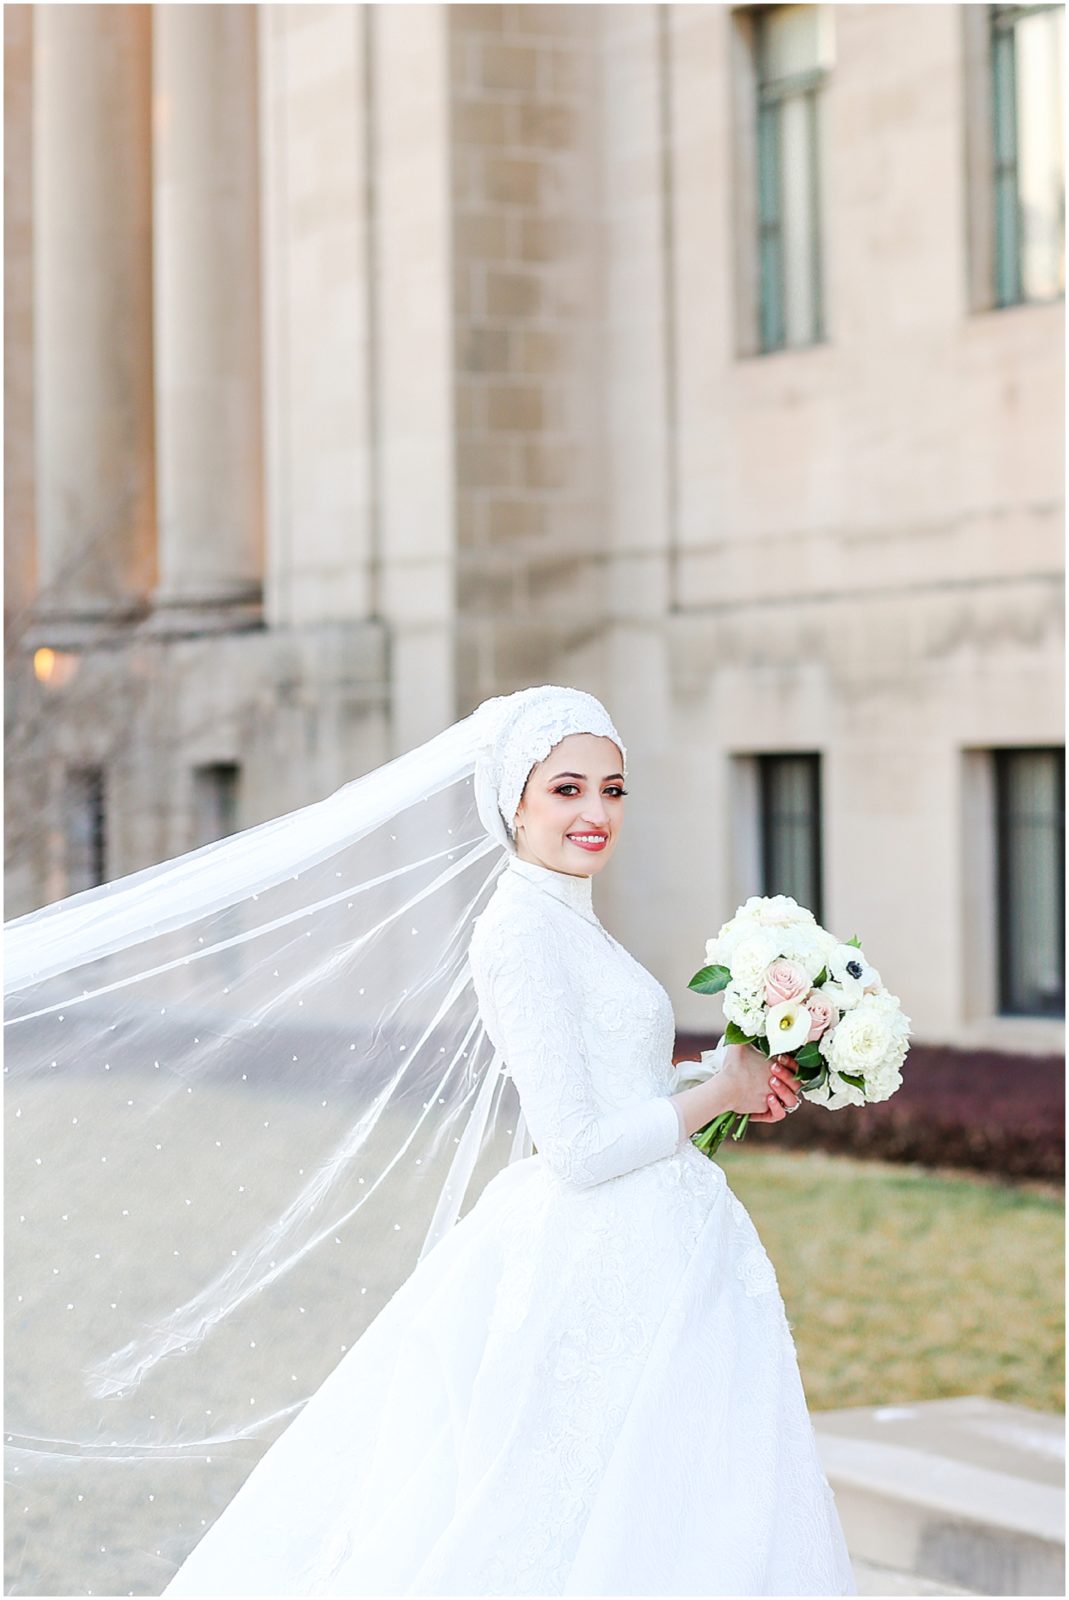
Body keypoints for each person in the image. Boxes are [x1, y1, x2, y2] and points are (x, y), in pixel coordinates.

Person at [5, 685, 856, 1596]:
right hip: (598, 1252)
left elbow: (620, 1099)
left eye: (611, 790)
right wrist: (710, 1095)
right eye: (566, 789)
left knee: (674, 1509)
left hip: (663, 1247)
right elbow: (574, 1149)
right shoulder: (518, 930)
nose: (595, 812)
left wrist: (725, 1083)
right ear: (514, 800)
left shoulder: (575, 923)